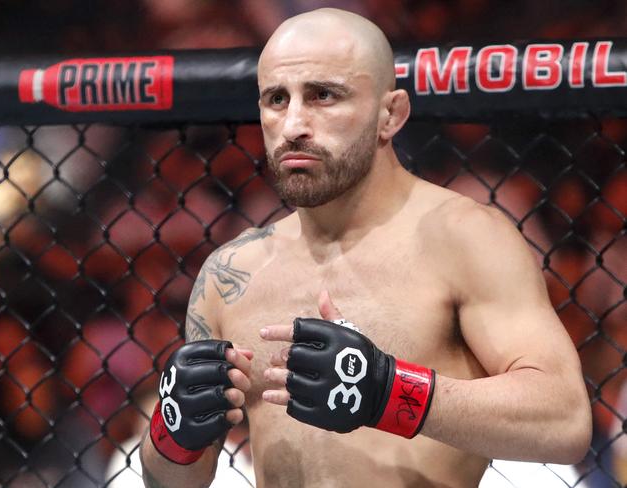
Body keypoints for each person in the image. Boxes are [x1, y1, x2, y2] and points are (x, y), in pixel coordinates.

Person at [139, 8, 592, 487]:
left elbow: (563, 420)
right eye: (276, 98)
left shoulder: (464, 238)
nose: (293, 123)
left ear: (390, 114)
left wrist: (387, 392)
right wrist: (174, 430)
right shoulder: (231, 272)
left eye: (323, 95)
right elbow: (169, 481)